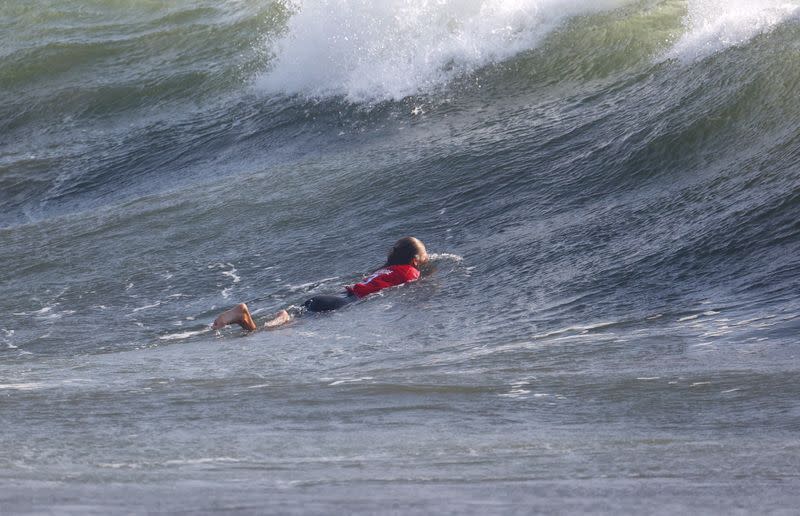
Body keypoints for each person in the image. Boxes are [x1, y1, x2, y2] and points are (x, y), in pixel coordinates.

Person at [211, 236, 428, 331]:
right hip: (341, 303)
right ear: (414, 260)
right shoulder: (409, 271)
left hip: (335, 297)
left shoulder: (384, 270)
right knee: (277, 329)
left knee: (291, 320)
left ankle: (250, 317)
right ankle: (243, 315)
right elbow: (412, 289)